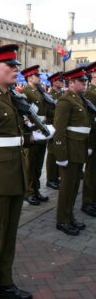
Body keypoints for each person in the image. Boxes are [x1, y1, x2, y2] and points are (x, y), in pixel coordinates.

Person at [0, 44, 53, 299]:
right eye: (11, 65)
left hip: (14, 176)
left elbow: (12, 138)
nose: (17, 69)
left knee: (9, 234)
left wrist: (33, 138)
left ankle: (5, 282)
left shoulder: (9, 97)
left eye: (16, 65)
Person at [53, 67, 90, 236]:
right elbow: (59, 130)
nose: (85, 83)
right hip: (69, 151)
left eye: (85, 81)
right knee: (67, 188)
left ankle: (70, 217)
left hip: (79, 149)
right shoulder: (65, 101)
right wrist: (61, 155)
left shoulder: (79, 99)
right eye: (81, 81)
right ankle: (62, 220)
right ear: (72, 83)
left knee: (74, 187)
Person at [21, 65, 49, 205]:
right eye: (36, 75)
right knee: (30, 164)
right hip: (32, 131)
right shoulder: (26, 91)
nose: (39, 77)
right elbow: (25, 113)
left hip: (41, 130)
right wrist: (30, 129)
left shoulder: (39, 91)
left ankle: (36, 189)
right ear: (30, 78)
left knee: (38, 164)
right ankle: (29, 191)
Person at [81, 62, 96, 217]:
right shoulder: (91, 93)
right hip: (93, 137)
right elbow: (89, 120)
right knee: (91, 172)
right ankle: (88, 201)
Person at [45, 72, 64, 190]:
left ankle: (56, 176)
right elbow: (47, 112)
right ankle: (50, 178)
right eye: (60, 81)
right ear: (54, 82)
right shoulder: (49, 95)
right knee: (52, 153)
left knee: (58, 151)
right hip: (52, 126)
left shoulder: (61, 95)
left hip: (59, 126)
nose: (63, 82)